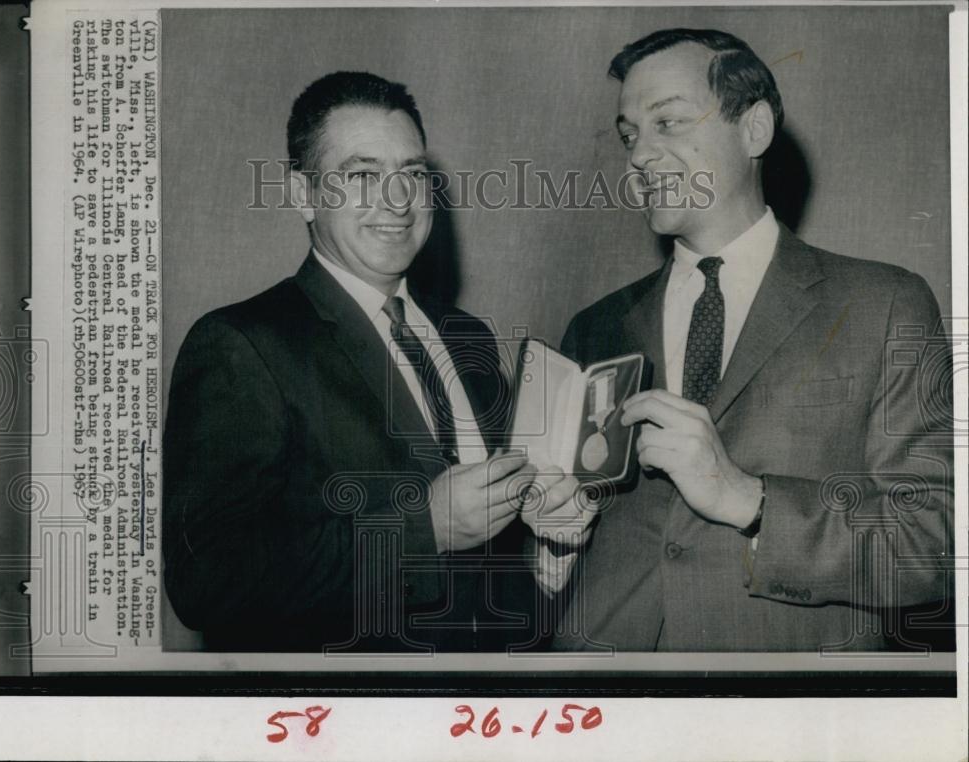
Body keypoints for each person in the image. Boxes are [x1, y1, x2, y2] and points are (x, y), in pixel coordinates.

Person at [545, 29, 953, 651]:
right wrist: (553, 544)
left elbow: (934, 544)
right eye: (630, 135)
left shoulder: (884, 304)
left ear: (754, 128)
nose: (640, 157)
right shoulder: (594, 327)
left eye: (669, 123)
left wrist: (749, 499)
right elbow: (565, 560)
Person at [163, 71, 569, 652]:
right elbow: (207, 580)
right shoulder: (242, 344)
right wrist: (422, 530)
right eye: (362, 176)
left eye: (411, 175)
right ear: (302, 194)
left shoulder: (467, 337)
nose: (398, 202)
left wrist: (553, 549)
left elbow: (489, 568)